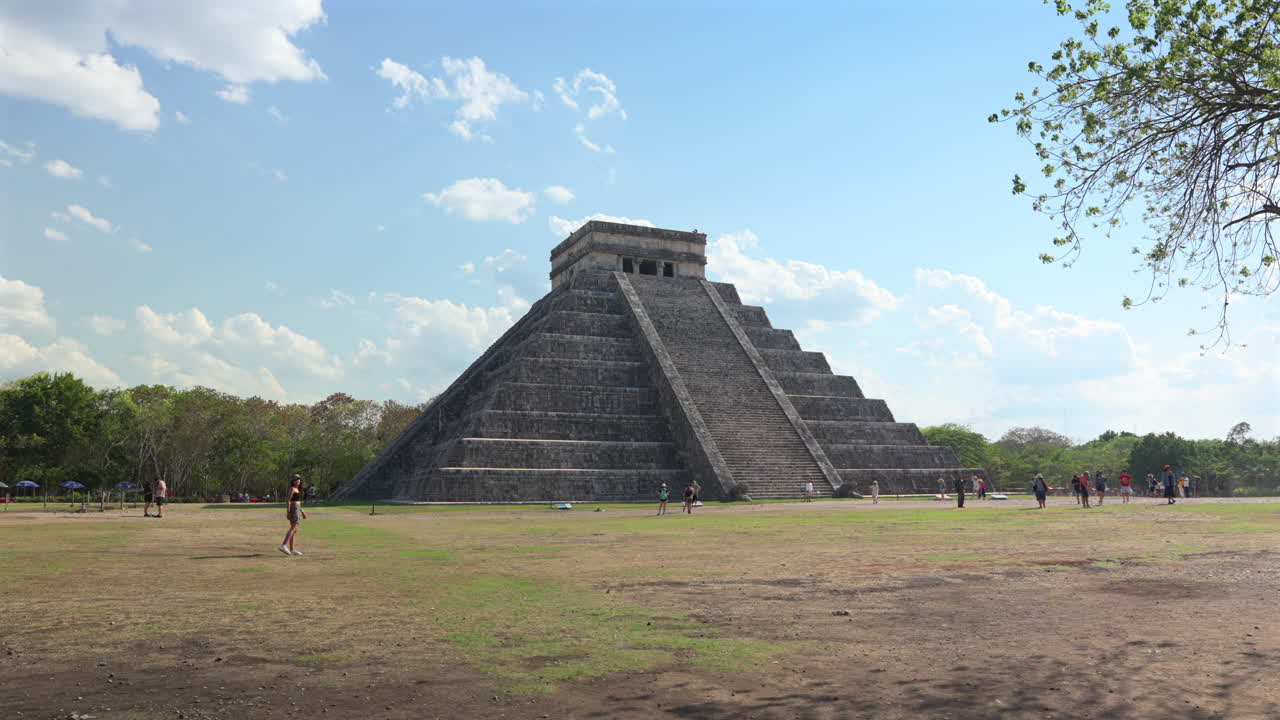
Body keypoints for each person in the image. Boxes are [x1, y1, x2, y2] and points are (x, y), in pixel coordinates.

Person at [280, 473, 307, 556]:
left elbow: (298, 503)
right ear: (293, 481)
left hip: (297, 508)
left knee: (295, 530)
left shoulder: (298, 489)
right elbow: (288, 500)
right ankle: (284, 545)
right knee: (293, 527)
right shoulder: (292, 489)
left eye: (298, 479)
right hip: (294, 509)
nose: (297, 480)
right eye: (295, 479)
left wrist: (302, 512)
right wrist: (288, 512)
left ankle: (292, 549)